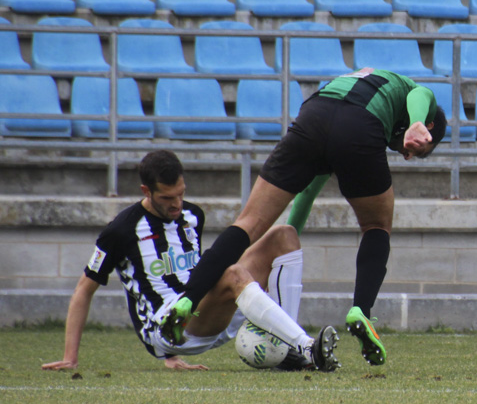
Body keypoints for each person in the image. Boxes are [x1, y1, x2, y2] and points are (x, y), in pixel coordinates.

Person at [160, 68, 447, 366]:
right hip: (361, 124)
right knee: (376, 226)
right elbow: (422, 93)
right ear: (427, 124)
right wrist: (415, 122)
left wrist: (277, 257)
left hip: (313, 116)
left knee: (247, 223)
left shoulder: (364, 83)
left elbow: (306, 196)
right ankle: (360, 310)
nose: (407, 154)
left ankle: (186, 300)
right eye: (416, 148)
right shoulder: (411, 97)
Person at [42, 150, 339, 372]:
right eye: (168, 198)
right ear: (147, 191)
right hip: (170, 328)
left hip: (207, 308)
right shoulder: (120, 231)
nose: (177, 204)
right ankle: (306, 348)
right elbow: (84, 289)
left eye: (181, 194)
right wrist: (71, 357)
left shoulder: (192, 216)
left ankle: (287, 350)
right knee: (234, 273)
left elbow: (192, 272)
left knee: (283, 235)